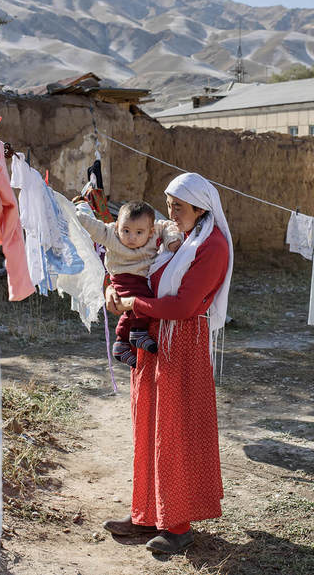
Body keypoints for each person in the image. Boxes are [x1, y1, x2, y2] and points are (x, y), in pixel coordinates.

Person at [101, 173, 234, 555]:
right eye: (170, 204)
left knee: (173, 434)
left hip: (182, 346)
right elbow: (133, 269)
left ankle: (177, 526)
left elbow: (184, 306)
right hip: (155, 340)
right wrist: (112, 289)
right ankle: (146, 515)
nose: (171, 212)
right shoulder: (176, 240)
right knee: (148, 429)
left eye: (179, 206)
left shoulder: (212, 247)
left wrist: (133, 306)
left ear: (200, 208)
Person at [75, 201, 182, 367]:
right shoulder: (111, 234)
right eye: (126, 230)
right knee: (142, 301)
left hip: (143, 278)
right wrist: (76, 216)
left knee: (132, 310)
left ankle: (121, 344)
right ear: (117, 226)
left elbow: (169, 226)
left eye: (139, 232)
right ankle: (138, 333)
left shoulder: (155, 232)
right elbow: (95, 226)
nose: (131, 237)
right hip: (122, 278)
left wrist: (172, 240)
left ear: (150, 231)